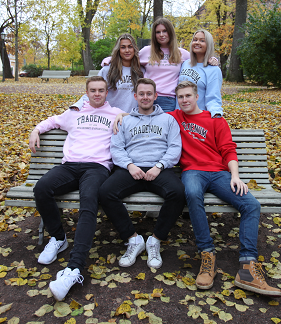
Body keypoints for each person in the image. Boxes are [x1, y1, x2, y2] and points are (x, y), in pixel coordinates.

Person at [169, 81, 281, 296]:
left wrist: (235, 176)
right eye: (180, 97)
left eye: (188, 96)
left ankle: (247, 267)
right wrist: (121, 115)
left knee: (251, 205)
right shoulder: (174, 117)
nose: (184, 100)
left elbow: (228, 149)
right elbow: (147, 114)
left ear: (197, 97)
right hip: (193, 171)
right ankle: (207, 255)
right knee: (191, 193)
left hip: (219, 174)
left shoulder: (215, 120)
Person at [29, 76, 125, 301]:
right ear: (86, 92)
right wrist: (35, 130)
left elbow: (139, 118)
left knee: (88, 202)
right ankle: (58, 237)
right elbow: (52, 121)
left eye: (101, 90)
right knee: (41, 188)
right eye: (93, 90)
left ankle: (74, 267)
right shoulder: (73, 113)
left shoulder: (115, 113)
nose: (97, 94)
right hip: (70, 166)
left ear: (107, 93)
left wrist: (125, 115)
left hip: (97, 167)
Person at [98, 78, 185, 269]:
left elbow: (174, 148)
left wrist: (159, 166)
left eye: (149, 94)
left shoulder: (168, 120)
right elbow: (116, 148)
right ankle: (133, 239)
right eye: (141, 94)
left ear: (156, 96)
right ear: (135, 96)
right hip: (132, 169)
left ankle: (155, 240)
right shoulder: (125, 120)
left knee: (178, 192)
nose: (145, 97)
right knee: (105, 192)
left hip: (159, 169)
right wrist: (129, 165)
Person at [101, 18, 218, 112]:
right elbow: (129, 56)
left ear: (170, 32)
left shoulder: (181, 53)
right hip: (148, 97)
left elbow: (197, 59)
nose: (161, 34)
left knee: (164, 131)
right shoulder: (146, 51)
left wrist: (211, 58)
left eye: (164, 31)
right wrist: (110, 59)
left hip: (169, 100)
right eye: (158, 32)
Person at [71, 34, 144, 113]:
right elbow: (94, 90)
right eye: (123, 47)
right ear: (118, 50)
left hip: (133, 117)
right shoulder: (108, 70)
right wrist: (78, 105)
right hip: (111, 116)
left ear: (134, 49)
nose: (127, 50)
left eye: (130, 47)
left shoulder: (140, 71)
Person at [177, 29, 223, 117]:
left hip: (198, 117)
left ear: (209, 45)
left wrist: (216, 113)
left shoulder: (213, 70)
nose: (197, 42)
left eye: (202, 41)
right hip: (180, 116)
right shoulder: (185, 63)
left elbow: (213, 97)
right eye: (195, 40)